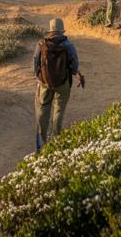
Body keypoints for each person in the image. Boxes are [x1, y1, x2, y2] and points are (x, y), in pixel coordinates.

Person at [34, 17, 82, 149]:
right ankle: (56, 140)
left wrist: (39, 78)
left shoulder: (41, 44)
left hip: (44, 83)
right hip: (63, 83)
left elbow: (35, 62)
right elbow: (74, 64)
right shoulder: (67, 45)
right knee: (59, 110)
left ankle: (41, 144)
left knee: (43, 110)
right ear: (61, 30)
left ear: (50, 30)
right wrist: (74, 73)